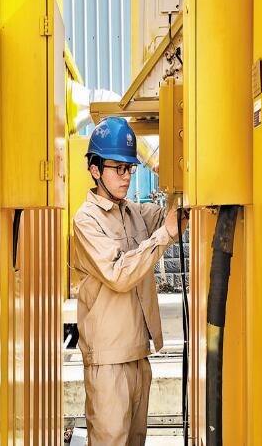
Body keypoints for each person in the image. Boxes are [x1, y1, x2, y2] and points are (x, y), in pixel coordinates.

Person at [73, 117, 188, 445]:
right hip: (108, 362)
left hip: (138, 355)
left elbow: (174, 214)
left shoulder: (133, 212)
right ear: (95, 170)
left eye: (130, 169)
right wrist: (164, 234)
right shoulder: (86, 221)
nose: (126, 176)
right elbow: (119, 274)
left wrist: (174, 175)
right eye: (119, 168)